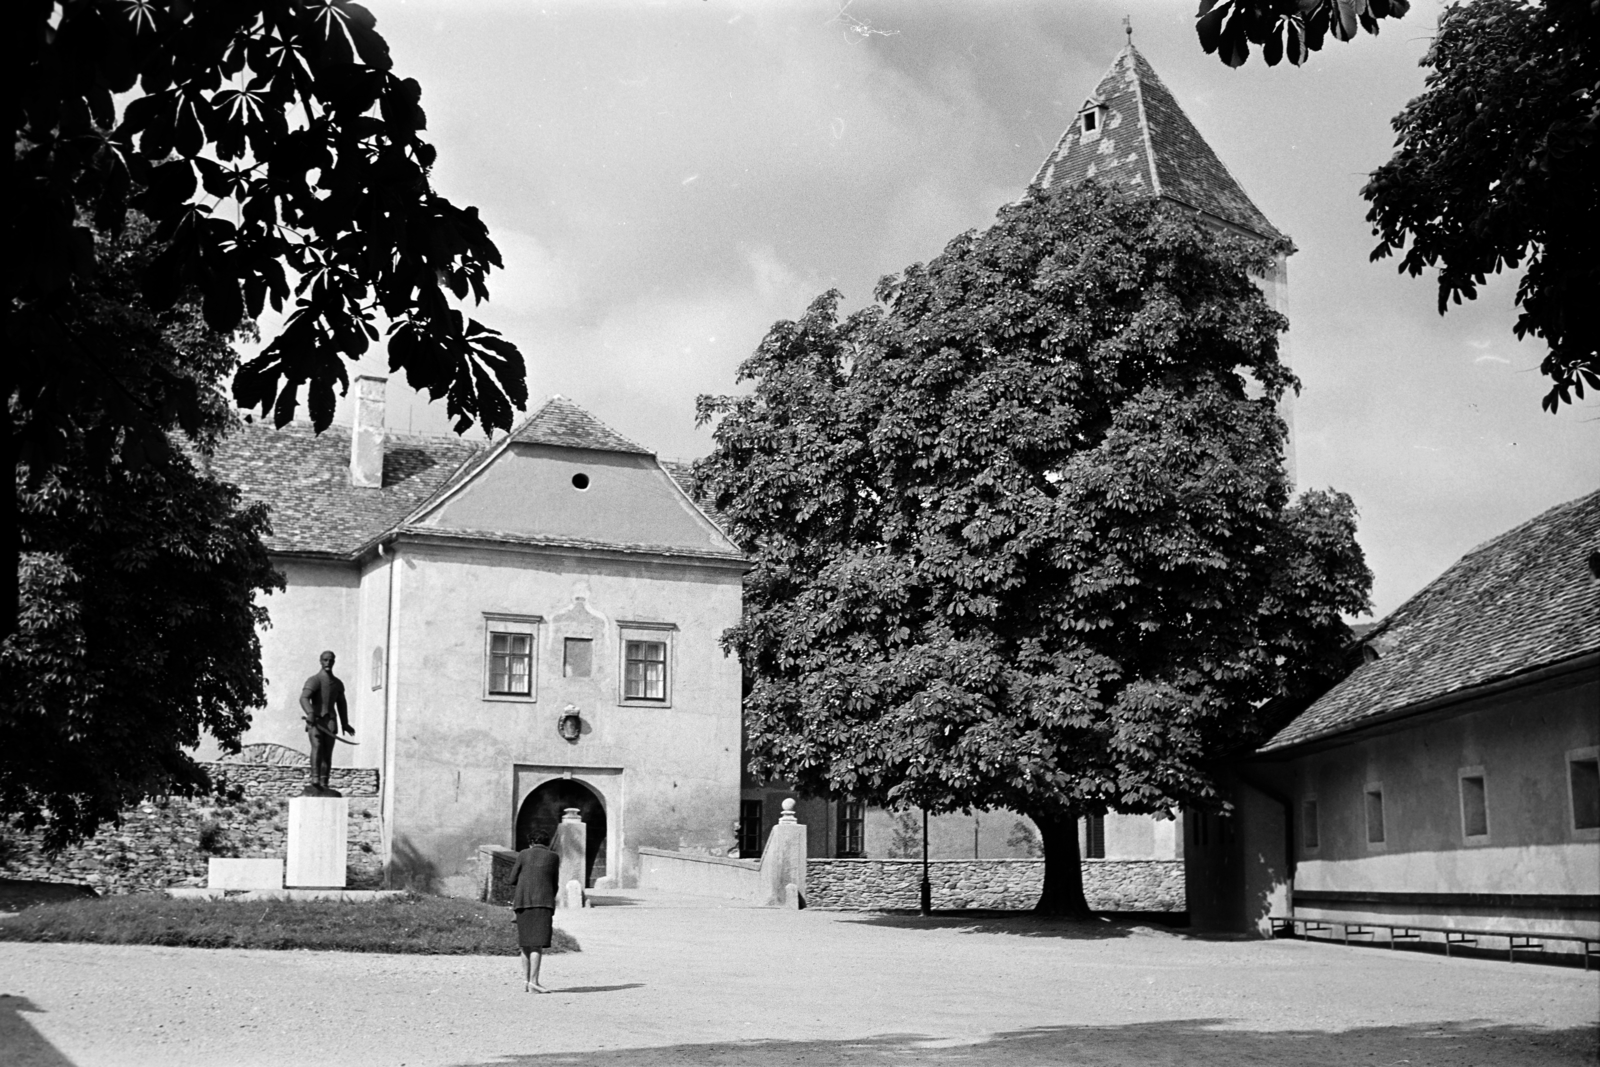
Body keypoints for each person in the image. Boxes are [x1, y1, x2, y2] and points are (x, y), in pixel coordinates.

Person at [507, 828, 561, 993]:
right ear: (546, 842)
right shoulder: (553, 857)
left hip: (522, 903)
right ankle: (534, 982)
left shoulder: (523, 854)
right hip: (543, 903)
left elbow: (512, 879)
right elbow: (555, 883)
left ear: (531, 842)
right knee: (536, 944)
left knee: (525, 944)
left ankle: (525, 981)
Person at [298, 650, 353, 795]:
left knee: (327, 752)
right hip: (316, 720)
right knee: (317, 747)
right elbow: (304, 698)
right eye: (325, 660)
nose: (328, 663)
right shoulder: (314, 680)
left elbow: (341, 704)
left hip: (330, 721)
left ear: (334, 662)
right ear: (320, 661)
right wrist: (310, 712)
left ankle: (324, 782)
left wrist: (345, 723)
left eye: (331, 660)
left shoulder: (338, 683)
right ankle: (315, 779)